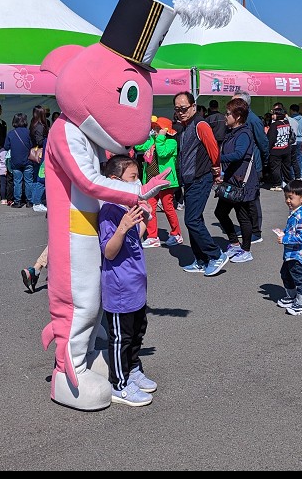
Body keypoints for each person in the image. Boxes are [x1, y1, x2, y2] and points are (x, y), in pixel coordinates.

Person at [98, 154, 158, 406]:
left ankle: (133, 369)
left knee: (137, 333)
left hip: (136, 284)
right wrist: (122, 227)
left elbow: (137, 238)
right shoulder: (109, 211)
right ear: (115, 181)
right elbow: (109, 252)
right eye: (133, 178)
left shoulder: (127, 208)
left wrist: (144, 219)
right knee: (120, 339)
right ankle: (119, 384)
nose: (137, 184)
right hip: (119, 288)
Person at [173, 91, 225, 276]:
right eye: (178, 109)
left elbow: (213, 149)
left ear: (193, 107)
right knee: (194, 219)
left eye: (184, 108)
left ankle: (215, 254)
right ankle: (201, 259)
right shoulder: (185, 127)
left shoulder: (200, 124)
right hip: (189, 180)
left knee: (192, 220)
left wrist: (217, 170)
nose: (181, 112)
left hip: (200, 178)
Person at [214, 98, 260, 265]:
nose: (225, 117)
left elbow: (239, 154)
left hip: (242, 182)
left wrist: (218, 159)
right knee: (220, 212)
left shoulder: (244, 133)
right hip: (230, 180)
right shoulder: (231, 132)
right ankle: (234, 243)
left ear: (238, 116)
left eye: (228, 114)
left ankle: (246, 250)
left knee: (243, 217)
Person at [135, 116, 183, 248]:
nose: (155, 130)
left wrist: (160, 137)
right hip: (151, 181)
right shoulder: (152, 140)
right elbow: (139, 145)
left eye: (157, 128)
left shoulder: (171, 142)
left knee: (168, 208)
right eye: (154, 128)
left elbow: (162, 153)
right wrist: (144, 134)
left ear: (165, 130)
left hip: (165, 181)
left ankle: (176, 234)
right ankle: (152, 237)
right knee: (150, 209)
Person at [272, 180, 302, 316]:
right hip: (291, 254)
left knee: (298, 278)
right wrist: (284, 232)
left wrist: (285, 239)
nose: (288, 201)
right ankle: (292, 296)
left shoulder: (301, 216)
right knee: (286, 273)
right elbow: (294, 231)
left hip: (299, 255)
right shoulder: (295, 214)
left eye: (291, 197)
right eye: (286, 197)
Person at [234, 90, 268, 244]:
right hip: (241, 166)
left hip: (253, 165)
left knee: (252, 199)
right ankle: (247, 226)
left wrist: (263, 163)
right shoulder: (238, 120)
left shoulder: (253, 120)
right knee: (242, 199)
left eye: (235, 102)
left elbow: (263, 143)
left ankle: (256, 231)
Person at [2, 112, 34, 208]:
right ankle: (29, 201)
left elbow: (6, 147)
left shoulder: (11, 133)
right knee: (29, 181)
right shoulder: (29, 132)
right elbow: (32, 145)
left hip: (15, 161)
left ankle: (17, 201)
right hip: (28, 160)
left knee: (17, 182)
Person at [266, 104, 293, 189]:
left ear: (277, 115)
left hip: (276, 150)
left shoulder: (274, 125)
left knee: (275, 168)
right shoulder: (287, 123)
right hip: (286, 148)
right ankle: (289, 182)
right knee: (286, 167)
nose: (272, 116)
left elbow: (271, 139)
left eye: (273, 114)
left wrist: (268, 149)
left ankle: (277, 184)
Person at [28, 105, 49, 212]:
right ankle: (37, 202)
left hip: (35, 154)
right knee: (41, 179)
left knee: (36, 178)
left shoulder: (33, 124)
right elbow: (40, 140)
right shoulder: (40, 126)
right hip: (41, 154)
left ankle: (34, 200)